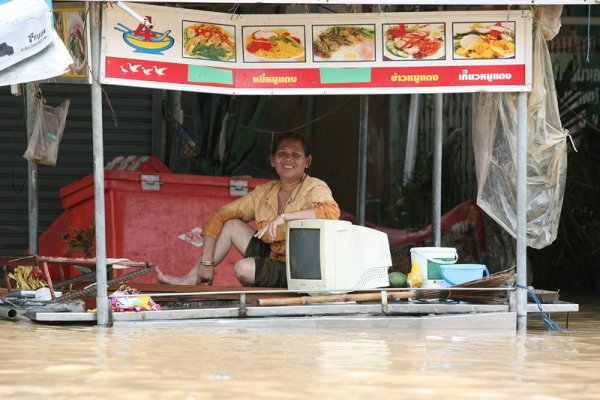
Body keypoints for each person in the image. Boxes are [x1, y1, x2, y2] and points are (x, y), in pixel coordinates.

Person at [155, 132, 340, 287]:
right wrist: (207, 262)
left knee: (243, 269)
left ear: (307, 161)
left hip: (302, 267)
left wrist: (284, 217)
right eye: (282, 153)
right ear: (272, 160)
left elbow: (331, 213)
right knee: (231, 224)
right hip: (273, 257)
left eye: (296, 154)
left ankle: (271, 296)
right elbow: (219, 216)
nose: (288, 159)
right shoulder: (264, 192)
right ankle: (192, 277)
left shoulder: (315, 187)